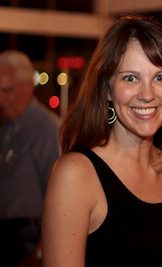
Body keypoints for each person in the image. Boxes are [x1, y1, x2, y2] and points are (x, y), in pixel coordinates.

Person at [41, 15, 162, 267]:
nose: (147, 94)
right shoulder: (76, 174)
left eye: (160, 78)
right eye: (130, 78)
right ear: (107, 89)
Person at [0, 50, 61, 267]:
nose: (1, 98)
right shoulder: (8, 127)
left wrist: (41, 250)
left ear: (28, 86)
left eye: (7, 90)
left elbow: (58, 195)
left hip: (28, 242)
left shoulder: (47, 129)